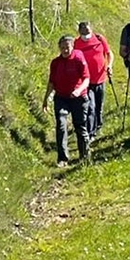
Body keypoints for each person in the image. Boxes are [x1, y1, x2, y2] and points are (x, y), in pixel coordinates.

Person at [43, 35, 91, 166]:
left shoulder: (78, 58)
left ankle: (84, 156)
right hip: (61, 98)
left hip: (78, 98)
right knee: (61, 125)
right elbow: (51, 82)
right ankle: (63, 158)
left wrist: (79, 90)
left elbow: (86, 79)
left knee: (80, 126)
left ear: (72, 46)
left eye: (67, 47)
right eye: (62, 47)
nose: (65, 50)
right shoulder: (55, 63)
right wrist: (46, 99)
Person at [73, 21, 112, 135]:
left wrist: (109, 65)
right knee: (91, 107)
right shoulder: (76, 43)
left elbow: (109, 53)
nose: (86, 34)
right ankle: (91, 132)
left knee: (99, 105)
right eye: (83, 32)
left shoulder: (99, 39)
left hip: (100, 79)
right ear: (79, 31)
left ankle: (98, 124)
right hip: (86, 81)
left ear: (91, 29)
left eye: (88, 31)